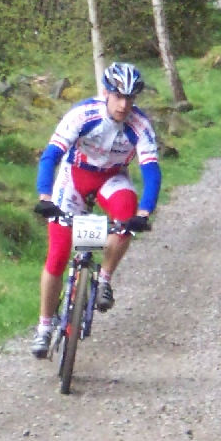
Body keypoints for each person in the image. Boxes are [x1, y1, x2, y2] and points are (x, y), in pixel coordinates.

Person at [30, 62, 162, 359]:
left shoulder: (139, 126)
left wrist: (144, 213)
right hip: (75, 177)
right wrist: (45, 195)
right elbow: (51, 156)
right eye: (118, 96)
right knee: (58, 255)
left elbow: (152, 172)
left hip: (111, 178)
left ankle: (104, 280)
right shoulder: (83, 114)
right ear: (105, 93)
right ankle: (44, 326)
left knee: (127, 216)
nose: (124, 104)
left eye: (130, 98)